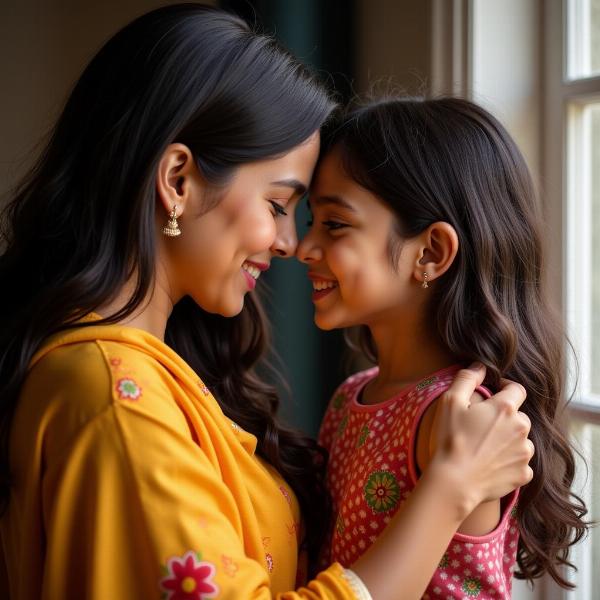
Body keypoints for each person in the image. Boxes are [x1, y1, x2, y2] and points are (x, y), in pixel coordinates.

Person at [0, 6, 533, 599]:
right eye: (279, 206)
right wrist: (448, 489)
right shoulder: (114, 396)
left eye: (325, 222)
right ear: (178, 181)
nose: (290, 245)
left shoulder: (138, 374)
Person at [298, 97, 588, 599]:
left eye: (335, 225)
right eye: (311, 222)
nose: (304, 248)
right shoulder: (352, 396)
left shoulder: (458, 420)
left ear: (430, 253)